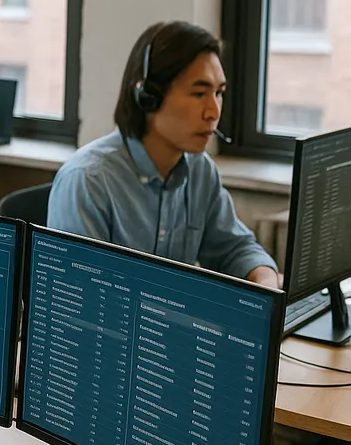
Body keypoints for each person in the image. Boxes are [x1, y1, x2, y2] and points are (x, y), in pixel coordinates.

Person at [47, 20, 279, 288]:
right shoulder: (88, 181)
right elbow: (79, 296)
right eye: (199, 93)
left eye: (219, 93)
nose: (214, 112)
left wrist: (266, 283)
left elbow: (235, 248)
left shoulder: (200, 170)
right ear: (148, 97)